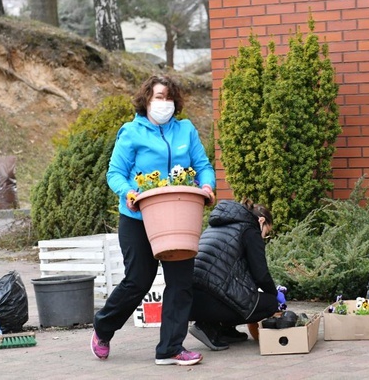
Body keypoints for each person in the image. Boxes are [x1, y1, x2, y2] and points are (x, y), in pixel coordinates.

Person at [91, 75, 215, 366]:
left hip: (178, 215)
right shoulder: (132, 132)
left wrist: (207, 187)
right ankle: (103, 328)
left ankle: (170, 349)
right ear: (146, 100)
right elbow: (115, 174)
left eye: (169, 97)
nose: (164, 103)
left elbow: (203, 166)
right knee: (138, 280)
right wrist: (129, 192)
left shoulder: (186, 130)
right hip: (137, 217)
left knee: (180, 282)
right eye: (159, 97)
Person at [188, 199, 280, 351]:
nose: (264, 237)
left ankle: (224, 330)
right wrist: (274, 295)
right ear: (261, 221)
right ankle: (208, 327)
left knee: (240, 295)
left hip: (190, 301)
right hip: (209, 302)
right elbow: (261, 274)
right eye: (266, 233)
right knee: (270, 303)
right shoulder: (250, 230)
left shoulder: (217, 226)